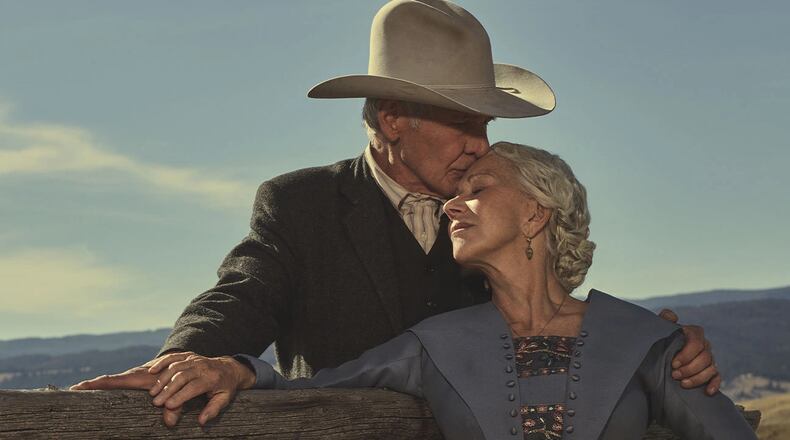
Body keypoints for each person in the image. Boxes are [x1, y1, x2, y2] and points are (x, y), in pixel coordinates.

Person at [70, 0, 720, 428]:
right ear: (392, 117)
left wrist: (661, 343)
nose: (480, 145)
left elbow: (552, 317)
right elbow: (239, 297)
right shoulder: (301, 207)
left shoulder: (490, 215)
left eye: (486, 125)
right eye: (464, 122)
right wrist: (190, 359)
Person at [143, 143, 756, 439]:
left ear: (537, 214)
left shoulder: (644, 339)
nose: (452, 205)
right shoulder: (431, 346)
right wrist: (229, 368)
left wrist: (679, 341)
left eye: (479, 188)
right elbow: (307, 384)